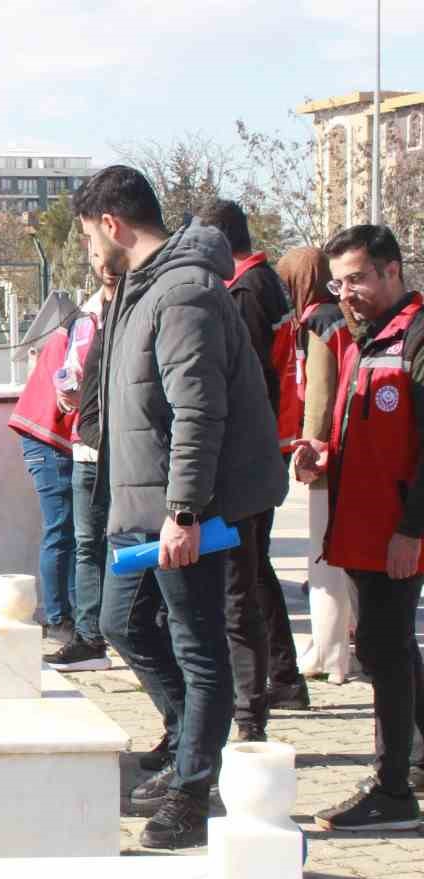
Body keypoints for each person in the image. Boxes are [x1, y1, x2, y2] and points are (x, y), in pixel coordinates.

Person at [76, 166, 286, 849]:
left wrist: (186, 511)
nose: (89, 251)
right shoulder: (140, 288)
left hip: (186, 508)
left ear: (112, 224)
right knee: (121, 621)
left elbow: (198, 411)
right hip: (139, 502)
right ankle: (188, 739)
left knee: (199, 647)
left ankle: (193, 794)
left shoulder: (184, 290)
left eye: (88, 236)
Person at [292, 224, 424, 830]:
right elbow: (364, 432)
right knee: (387, 646)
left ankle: (391, 791)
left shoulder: (414, 338)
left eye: (357, 280)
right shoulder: (363, 339)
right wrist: (321, 454)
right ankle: (412, 763)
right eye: (338, 284)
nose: (346, 294)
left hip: (396, 532)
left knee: (383, 649)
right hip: (362, 530)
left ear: (392, 271)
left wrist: (411, 531)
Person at [196, 199, 309, 740]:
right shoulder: (265, 282)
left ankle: (259, 700)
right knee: (256, 573)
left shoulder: (244, 292)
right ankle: (283, 678)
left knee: (242, 584)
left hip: (251, 453)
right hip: (267, 445)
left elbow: (243, 380)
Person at [276, 247, 356, 685]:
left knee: (324, 562)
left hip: (328, 454)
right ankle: (346, 645)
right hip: (351, 448)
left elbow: (320, 395)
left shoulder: (318, 322)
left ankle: (328, 652)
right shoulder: (342, 315)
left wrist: (307, 451)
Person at [45, 247, 119, 675]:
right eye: (98, 262)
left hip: (129, 450)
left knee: (129, 542)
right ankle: (90, 637)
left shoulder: (143, 311)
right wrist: (67, 393)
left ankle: (139, 632)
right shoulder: (87, 319)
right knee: (87, 544)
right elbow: (70, 373)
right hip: (87, 448)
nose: (105, 270)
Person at [8, 300, 78, 645]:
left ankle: (70, 617)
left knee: (71, 531)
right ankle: (59, 618)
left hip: (46, 435)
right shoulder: (87, 329)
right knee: (63, 529)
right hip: (48, 437)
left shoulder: (80, 325)